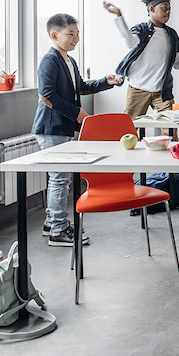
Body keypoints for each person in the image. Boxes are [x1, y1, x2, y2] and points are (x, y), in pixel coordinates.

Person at [32, 14, 121, 246]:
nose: (76, 38)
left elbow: (80, 87)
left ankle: (52, 222)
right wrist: (77, 113)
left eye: (77, 34)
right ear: (54, 35)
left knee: (59, 177)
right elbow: (46, 95)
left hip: (61, 127)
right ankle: (58, 230)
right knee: (60, 178)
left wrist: (105, 82)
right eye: (70, 34)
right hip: (51, 127)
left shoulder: (69, 60)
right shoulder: (50, 60)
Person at [103, 0, 179, 121]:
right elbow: (130, 43)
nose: (168, 12)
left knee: (171, 126)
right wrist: (119, 16)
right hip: (138, 89)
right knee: (131, 127)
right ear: (152, 9)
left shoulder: (172, 35)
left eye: (169, 9)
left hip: (162, 91)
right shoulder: (141, 29)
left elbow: (177, 64)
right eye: (164, 8)